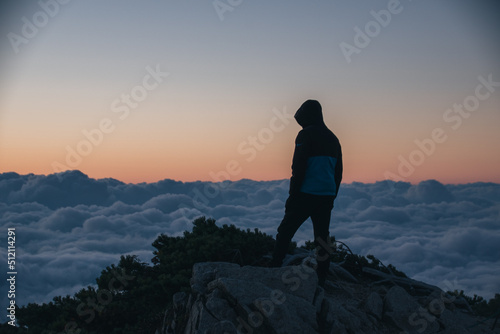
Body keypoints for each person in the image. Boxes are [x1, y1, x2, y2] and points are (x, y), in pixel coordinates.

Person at [271, 99, 342, 286]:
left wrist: (292, 196)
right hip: (326, 195)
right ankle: (322, 279)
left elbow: (298, 168)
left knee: (285, 232)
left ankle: (273, 270)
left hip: (306, 193)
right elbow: (338, 172)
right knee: (322, 238)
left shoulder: (305, 135)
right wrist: (332, 195)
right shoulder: (333, 138)